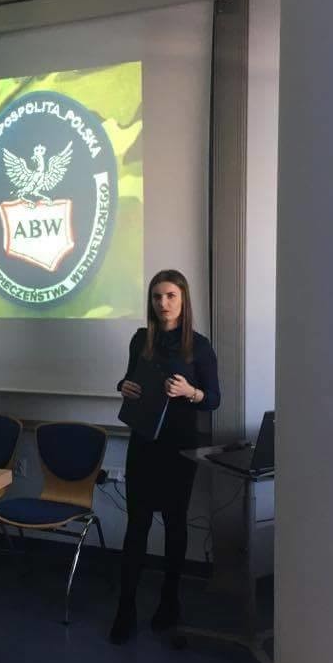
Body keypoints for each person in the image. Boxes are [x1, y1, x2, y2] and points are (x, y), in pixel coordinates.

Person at [109, 269, 220, 644]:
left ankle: (169, 602)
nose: (163, 303)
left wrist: (191, 391)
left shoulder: (199, 346)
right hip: (144, 443)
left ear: (183, 299)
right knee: (137, 525)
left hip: (179, 447)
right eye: (157, 296)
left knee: (175, 524)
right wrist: (123, 386)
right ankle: (126, 608)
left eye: (171, 295)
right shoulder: (141, 340)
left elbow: (214, 398)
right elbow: (129, 380)